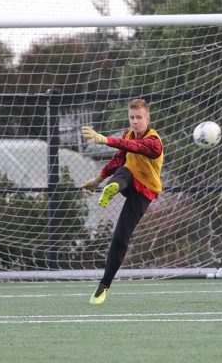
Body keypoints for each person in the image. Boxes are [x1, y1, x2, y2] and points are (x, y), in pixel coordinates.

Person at [80, 98, 163, 305]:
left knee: (120, 237)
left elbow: (133, 146)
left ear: (147, 119)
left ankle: (104, 286)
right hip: (128, 181)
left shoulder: (154, 142)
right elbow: (118, 158)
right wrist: (97, 180)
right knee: (123, 169)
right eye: (132, 118)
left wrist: (104, 139)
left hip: (145, 193)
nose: (135, 122)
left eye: (139, 118)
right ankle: (114, 187)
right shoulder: (128, 134)